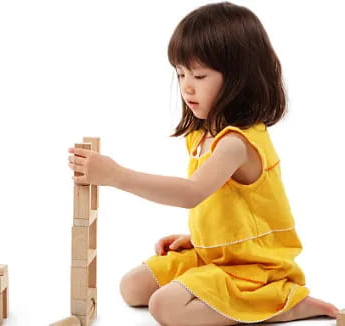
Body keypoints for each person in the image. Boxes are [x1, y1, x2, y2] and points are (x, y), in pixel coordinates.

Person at [67, 2, 341, 325]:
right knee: (132, 288)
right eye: (181, 73)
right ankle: (211, 281)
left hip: (252, 267)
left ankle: (284, 302)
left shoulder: (236, 144)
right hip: (221, 255)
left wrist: (115, 175)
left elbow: (191, 192)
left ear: (239, 78)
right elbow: (228, 206)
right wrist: (200, 238)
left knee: (164, 307)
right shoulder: (203, 134)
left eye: (199, 75)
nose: (186, 86)